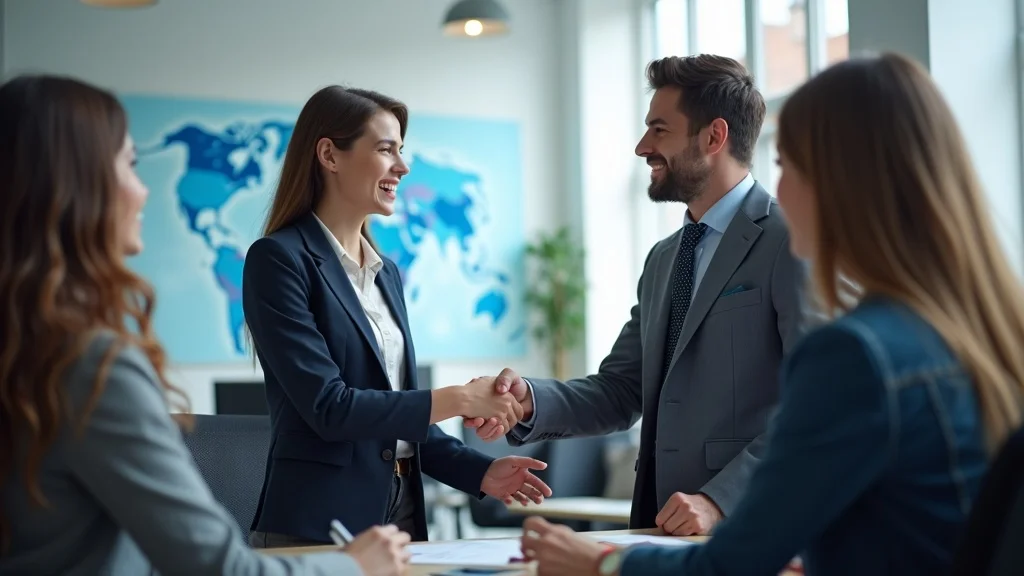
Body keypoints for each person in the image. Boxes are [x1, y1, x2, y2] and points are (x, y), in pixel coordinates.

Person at [516, 52, 1021, 576]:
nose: (777, 188)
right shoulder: (974, 334)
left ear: (841, 182)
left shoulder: (857, 352)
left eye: (787, 165)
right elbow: (625, 387)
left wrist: (604, 564)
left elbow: (735, 562)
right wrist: (529, 400)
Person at [0, 74, 413, 576]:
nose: (144, 189)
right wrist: (355, 567)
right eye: (129, 164)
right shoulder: (90, 366)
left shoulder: (28, 351)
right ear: (74, 185)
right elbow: (218, 567)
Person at [467, 54, 805, 535]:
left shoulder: (792, 240)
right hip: (657, 527)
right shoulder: (665, 258)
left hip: (753, 530)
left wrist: (719, 501)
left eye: (659, 129)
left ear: (714, 136)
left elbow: (821, 404)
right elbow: (621, 390)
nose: (642, 147)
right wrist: (528, 401)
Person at [242, 85, 552, 548]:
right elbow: (331, 408)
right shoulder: (278, 259)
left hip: (401, 511)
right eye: (386, 150)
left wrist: (481, 472)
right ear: (329, 154)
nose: (402, 167)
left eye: (401, 152)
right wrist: (461, 399)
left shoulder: (386, 273)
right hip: (318, 521)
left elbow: (400, 412)